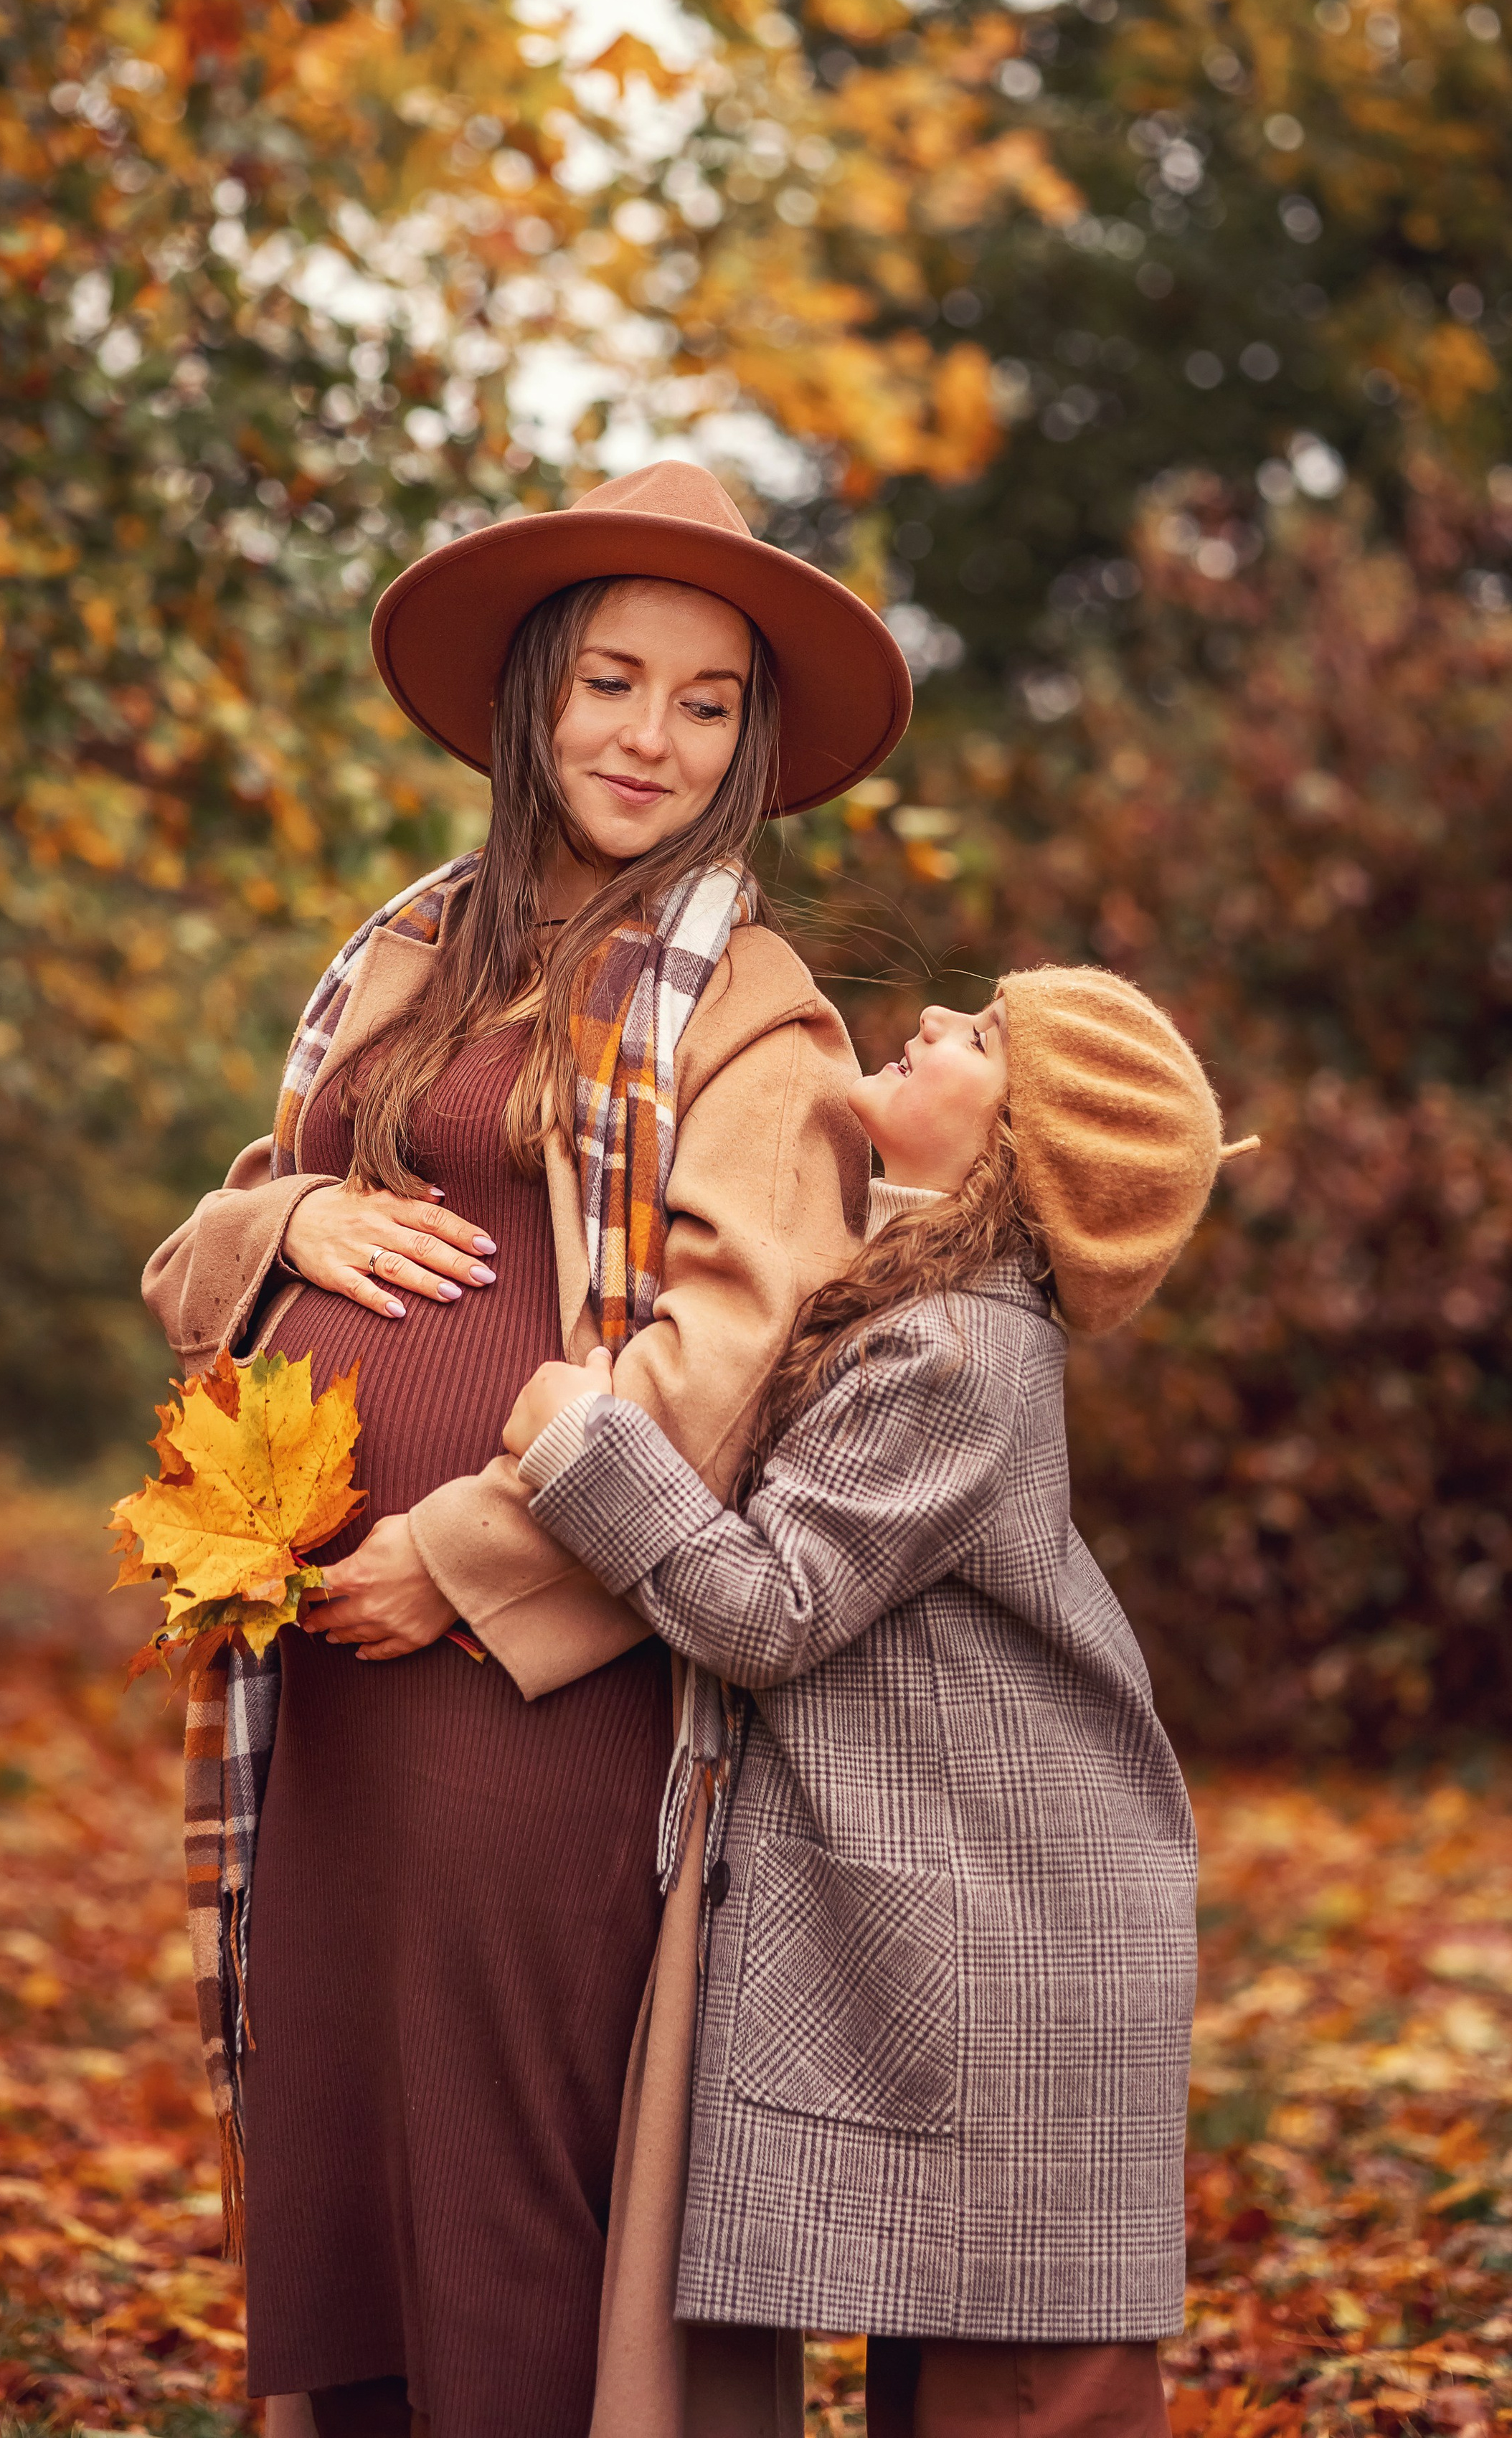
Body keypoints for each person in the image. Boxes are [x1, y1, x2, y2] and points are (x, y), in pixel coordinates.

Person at [141, 459, 912, 2438]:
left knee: (507, 2160)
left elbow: (733, 1360)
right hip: (327, 1670)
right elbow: (211, 1233)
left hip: (533, 1681)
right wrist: (286, 1226)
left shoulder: (758, 1012)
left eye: (708, 700)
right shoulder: (411, 950)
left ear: (749, 744)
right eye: (613, 684)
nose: (653, 737)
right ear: (531, 702)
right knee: (343, 2127)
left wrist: (466, 1559)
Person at [506, 965, 1249, 2438]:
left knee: (1026, 2396)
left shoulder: (953, 1352)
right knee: (960, 2376)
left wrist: (585, 1445)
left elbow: (765, 1610)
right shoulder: (925, 1310)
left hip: (1016, 1945)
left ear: (1019, 1146)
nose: (926, 1026)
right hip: (997, 1922)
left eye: (976, 1039)